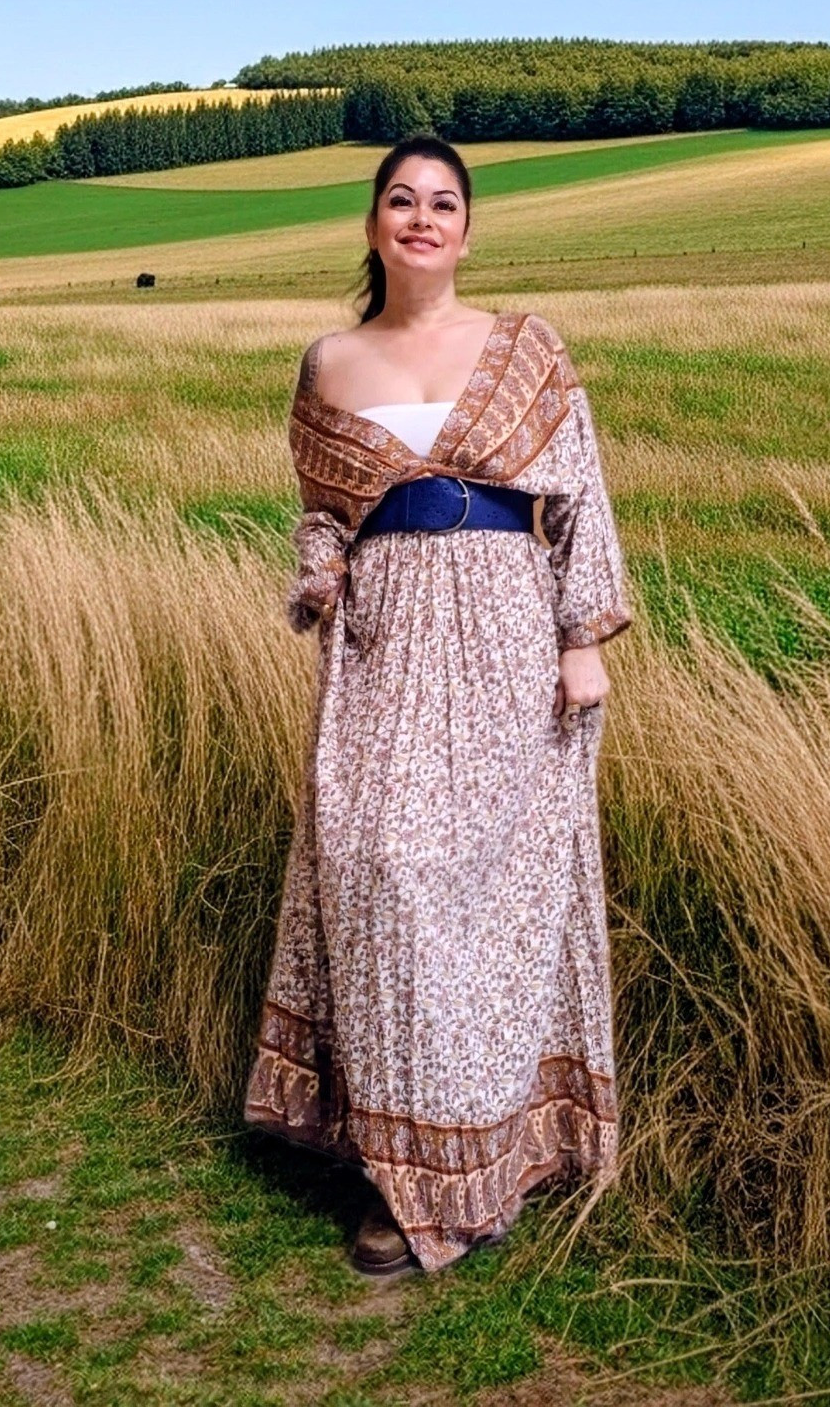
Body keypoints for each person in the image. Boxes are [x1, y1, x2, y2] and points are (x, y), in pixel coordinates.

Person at [244, 134, 633, 1276]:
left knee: (493, 886)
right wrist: (320, 569)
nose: (422, 218)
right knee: (380, 870)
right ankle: (398, 1160)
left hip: (509, 629)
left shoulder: (523, 350)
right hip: (386, 641)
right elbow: (324, 510)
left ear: (468, 229)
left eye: (444, 203)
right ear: (373, 224)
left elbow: (579, 494)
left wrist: (581, 637)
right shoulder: (329, 361)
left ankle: (489, 1163)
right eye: (402, 201)